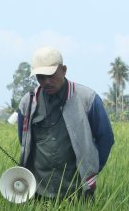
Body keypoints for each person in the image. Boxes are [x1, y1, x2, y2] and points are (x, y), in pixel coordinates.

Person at [17, 47, 115, 200]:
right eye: (41, 77)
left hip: (78, 189)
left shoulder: (87, 99)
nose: (46, 81)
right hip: (38, 190)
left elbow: (106, 138)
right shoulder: (28, 103)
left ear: (64, 70)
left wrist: (91, 170)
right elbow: (24, 140)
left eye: (51, 75)